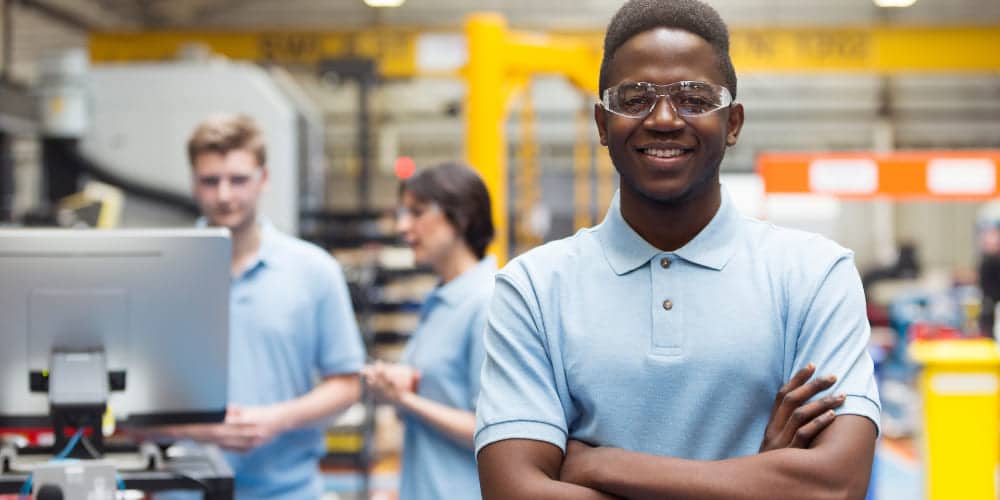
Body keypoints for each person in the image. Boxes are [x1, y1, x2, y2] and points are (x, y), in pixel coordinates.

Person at [474, 1, 881, 499]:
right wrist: (756, 478)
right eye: (635, 97)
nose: (664, 119)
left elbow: (834, 487)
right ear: (602, 124)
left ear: (733, 123)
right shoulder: (533, 288)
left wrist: (604, 465)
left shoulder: (815, 275)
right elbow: (514, 493)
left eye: (694, 98)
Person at [149, 114, 366, 499]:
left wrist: (275, 420)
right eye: (210, 181)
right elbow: (125, 408)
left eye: (238, 179)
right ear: (193, 183)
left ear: (263, 179)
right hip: (182, 488)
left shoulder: (314, 271)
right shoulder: (160, 271)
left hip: (288, 490)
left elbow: (347, 384)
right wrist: (202, 431)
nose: (225, 195)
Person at [362, 163, 496, 500]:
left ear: (461, 217)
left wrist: (403, 399)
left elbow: (494, 431)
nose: (403, 225)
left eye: (417, 212)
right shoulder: (440, 300)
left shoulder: (487, 302)